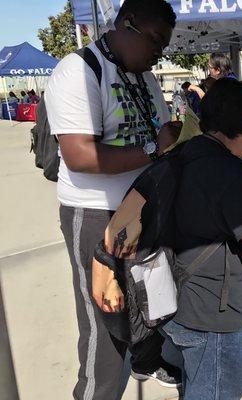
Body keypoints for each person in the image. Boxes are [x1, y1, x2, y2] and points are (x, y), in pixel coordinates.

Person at [45, 0, 182, 398]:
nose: (159, 54)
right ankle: (96, 392)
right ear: (126, 23)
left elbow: (156, 133)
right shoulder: (79, 71)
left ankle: (145, 359)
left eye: (163, 47)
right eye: (155, 42)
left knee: (151, 296)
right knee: (105, 321)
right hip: (95, 214)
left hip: (142, 208)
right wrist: (154, 150)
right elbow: (80, 155)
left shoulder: (146, 78)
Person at [163, 78, 242, 399]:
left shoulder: (185, 153)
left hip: (175, 297)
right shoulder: (232, 172)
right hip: (212, 314)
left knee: (196, 385)